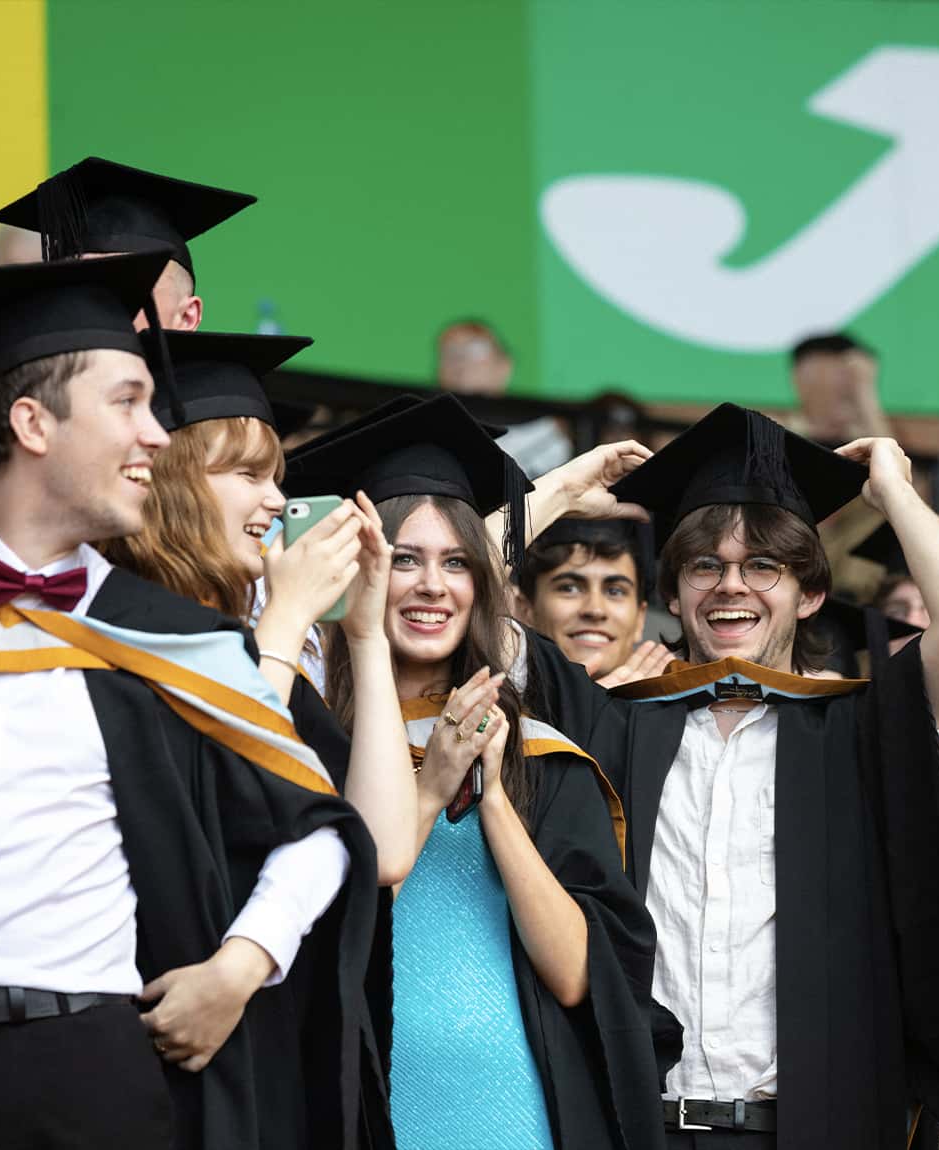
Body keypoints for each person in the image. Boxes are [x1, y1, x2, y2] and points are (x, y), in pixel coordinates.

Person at [0, 254, 380, 1150]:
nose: (156, 436)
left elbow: (321, 831)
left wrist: (242, 965)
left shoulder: (167, 639)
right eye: (126, 403)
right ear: (33, 423)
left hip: (93, 1069)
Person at [524, 404, 939, 1148]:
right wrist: (562, 489)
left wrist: (894, 491)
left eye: (762, 567)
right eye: (706, 566)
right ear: (673, 595)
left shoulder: (862, 729)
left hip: (808, 1129)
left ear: (810, 594)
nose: (731, 586)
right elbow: (461, 584)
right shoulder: (614, 723)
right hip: (634, 1125)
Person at [285, 393, 666, 1150]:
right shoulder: (307, 738)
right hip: (356, 1100)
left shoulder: (540, 751)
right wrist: (431, 788)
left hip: (512, 1106)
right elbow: (321, 926)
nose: (434, 585)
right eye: (404, 561)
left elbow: (575, 976)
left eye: (457, 563)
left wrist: (492, 799)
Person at [99, 329, 417, 882]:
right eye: (248, 474)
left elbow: (385, 852)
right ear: (171, 481)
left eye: (277, 478)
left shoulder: (251, 642)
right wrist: (288, 616)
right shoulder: (106, 624)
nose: (275, 501)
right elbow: (217, 801)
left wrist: (366, 636)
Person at [0, 154, 256, 332]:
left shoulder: (217, 416)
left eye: (128, 286)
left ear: (187, 317)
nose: (96, 310)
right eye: (80, 290)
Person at [514, 517, 672, 687]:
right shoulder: (493, 706)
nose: (595, 610)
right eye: (569, 588)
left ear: (640, 619)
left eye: (615, 591)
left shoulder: (682, 712)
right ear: (524, 610)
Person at [435, 317, 573, 477]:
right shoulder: (428, 432)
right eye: (450, 352)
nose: (460, 362)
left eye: (474, 350)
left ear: (504, 366)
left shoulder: (549, 434)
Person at [787, 332, 892, 444]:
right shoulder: (775, 439)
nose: (855, 388)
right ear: (805, 376)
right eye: (846, 374)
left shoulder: (863, 439)